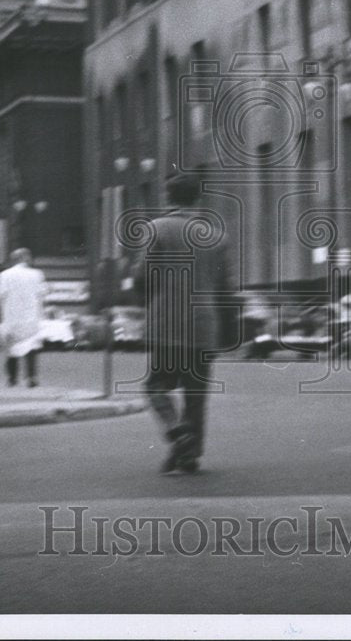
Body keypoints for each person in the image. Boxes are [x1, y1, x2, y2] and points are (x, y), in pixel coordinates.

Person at [133, 171, 232, 474]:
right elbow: (224, 288)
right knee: (196, 394)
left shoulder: (157, 229)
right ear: (198, 198)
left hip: (166, 325)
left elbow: (142, 277)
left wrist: (148, 305)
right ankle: (189, 454)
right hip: (204, 325)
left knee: (156, 385)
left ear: (169, 197)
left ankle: (176, 430)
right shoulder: (216, 236)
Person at [0, 247, 47, 387]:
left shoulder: (4, 275)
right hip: (31, 315)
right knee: (31, 347)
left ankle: (12, 378)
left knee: (12, 349)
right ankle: (31, 377)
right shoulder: (37, 274)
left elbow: (0, 296)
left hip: (11, 316)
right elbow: (42, 293)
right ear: (26, 259)